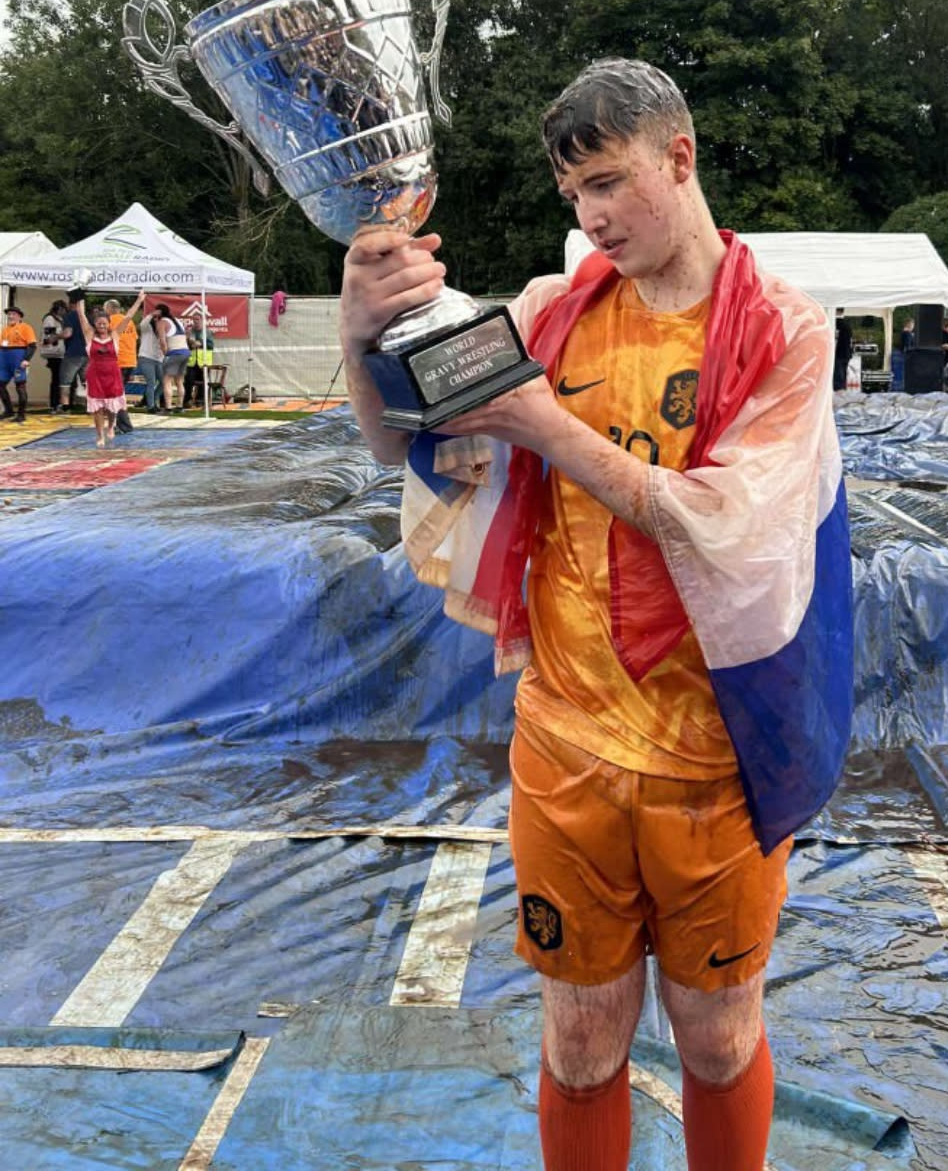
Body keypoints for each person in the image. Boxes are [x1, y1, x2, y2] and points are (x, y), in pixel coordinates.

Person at [340, 58, 854, 1171]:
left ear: (680, 157)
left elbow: (726, 526)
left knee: (716, 1039)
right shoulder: (545, 315)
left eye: (610, 183)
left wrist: (542, 424)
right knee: (577, 1040)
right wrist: (359, 331)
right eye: (574, 196)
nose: (591, 217)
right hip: (565, 745)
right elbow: (407, 445)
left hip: (712, 761)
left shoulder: (785, 332)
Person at [75, 300, 127, 448]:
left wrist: (139, 300)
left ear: (109, 324)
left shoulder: (115, 335)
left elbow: (128, 317)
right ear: (95, 325)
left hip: (113, 374)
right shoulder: (90, 335)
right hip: (95, 374)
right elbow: (81, 316)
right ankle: (99, 434)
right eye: (99, 323)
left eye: (104, 323)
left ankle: (111, 425)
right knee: (97, 407)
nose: (102, 326)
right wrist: (80, 299)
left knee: (111, 407)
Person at [104, 294, 145, 436]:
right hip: (130, 360)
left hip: (117, 361)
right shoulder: (129, 322)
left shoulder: (109, 321)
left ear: (109, 309)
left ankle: (122, 424)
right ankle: (122, 424)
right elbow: (134, 339)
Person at [0, 306, 37, 423]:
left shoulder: (26, 328)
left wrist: (26, 359)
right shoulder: (5, 329)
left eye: (13, 314)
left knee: (20, 386)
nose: (10, 316)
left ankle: (21, 414)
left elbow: (32, 345)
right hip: (4, 360)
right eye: (9, 314)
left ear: (19, 316)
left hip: (18, 360)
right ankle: (9, 410)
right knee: (0, 385)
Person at [156, 304, 191, 411]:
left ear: (159, 312)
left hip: (175, 353)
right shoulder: (177, 320)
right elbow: (186, 335)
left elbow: (162, 341)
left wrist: (165, 353)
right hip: (185, 352)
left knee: (166, 380)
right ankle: (180, 406)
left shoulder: (162, 322)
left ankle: (168, 407)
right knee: (179, 381)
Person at [59, 295, 89, 413]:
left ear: (71, 305)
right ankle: (90, 407)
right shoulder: (88, 316)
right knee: (87, 382)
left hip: (73, 353)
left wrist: (54, 337)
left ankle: (65, 408)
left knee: (65, 382)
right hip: (87, 353)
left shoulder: (70, 316)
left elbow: (67, 333)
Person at [40, 301, 70, 414]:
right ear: (59, 309)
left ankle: (58, 403)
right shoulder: (50, 319)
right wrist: (63, 334)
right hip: (54, 353)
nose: (65, 312)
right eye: (64, 309)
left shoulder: (58, 319)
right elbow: (49, 337)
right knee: (56, 379)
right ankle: (54, 404)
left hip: (59, 353)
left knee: (59, 379)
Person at [137, 302, 166, 411]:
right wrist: (151, 314)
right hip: (146, 357)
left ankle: (153, 401)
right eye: (155, 318)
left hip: (158, 359)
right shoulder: (148, 328)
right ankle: (151, 406)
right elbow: (142, 324)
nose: (157, 319)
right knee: (151, 382)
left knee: (164, 382)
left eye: (159, 318)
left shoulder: (163, 329)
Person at [184, 316, 216, 408]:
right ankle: (187, 400)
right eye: (194, 320)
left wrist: (201, 343)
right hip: (192, 362)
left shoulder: (208, 332)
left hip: (204, 362)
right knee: (188, 381)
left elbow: (211, 345)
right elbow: (187, 346)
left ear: (202, 321)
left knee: (203, 382)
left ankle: (200, 401)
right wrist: (189, 341)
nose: (196, 321)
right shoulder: (190, 332)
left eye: (198, 319)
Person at [833, 308, 852, 391]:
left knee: (838, 375)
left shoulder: (835, 324)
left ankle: (839, 390)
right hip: (846, 353)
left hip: (838, 353)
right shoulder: (847, 325)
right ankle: (843, 389)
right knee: (843, 374)